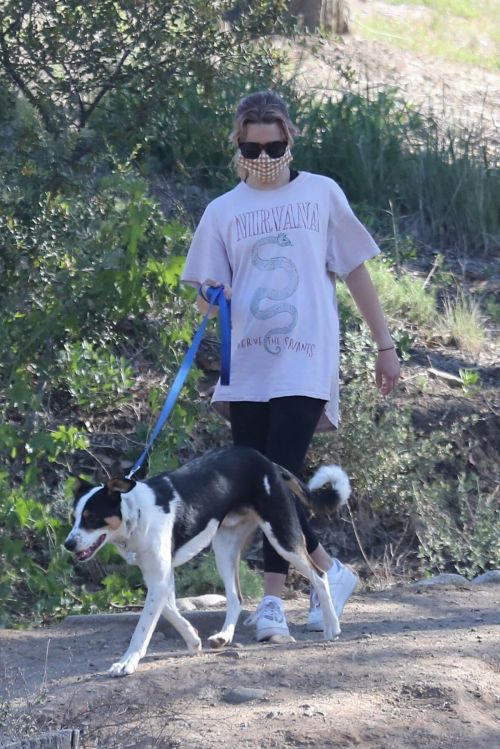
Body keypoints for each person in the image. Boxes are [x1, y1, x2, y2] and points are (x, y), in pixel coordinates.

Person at [181, 90, 400, 641]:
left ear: (291, 138)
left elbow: (355, 272)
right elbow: (209, 299)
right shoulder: (222, 211)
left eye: (273, 145)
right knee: (261, 484)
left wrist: (384, 344)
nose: (263, 157)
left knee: (277, 473)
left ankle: (273, 602)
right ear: (237, 144)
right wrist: (212, 295)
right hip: (247, 362)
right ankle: (330, 570)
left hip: (305, 357)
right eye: (252, 148)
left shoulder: (321, 194)